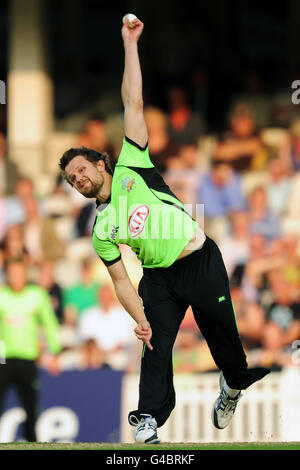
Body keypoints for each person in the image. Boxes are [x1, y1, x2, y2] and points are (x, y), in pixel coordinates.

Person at [59, 16, 270, 444]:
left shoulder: (131, 165)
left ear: (101, 163)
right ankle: (148, 420)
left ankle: (232, 384)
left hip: (199, 259)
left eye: (80, 169)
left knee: (225, 341)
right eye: (71, 179)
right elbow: (120, 280)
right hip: (158, 280)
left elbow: (132, 102)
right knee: (154, 344)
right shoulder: (101, 228)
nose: (78, 179)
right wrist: (140, 319)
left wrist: (129, 44)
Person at [0, 259, 61, 441]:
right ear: (7, 275)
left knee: (30, 407)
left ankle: (31, 442)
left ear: (25, 275)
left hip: (28, 358)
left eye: (19, 273)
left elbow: (50, 324)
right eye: (12, 274)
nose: (16, 277)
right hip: (3, 359)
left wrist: (55, 352)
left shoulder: (37, 295)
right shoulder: (2, 295)